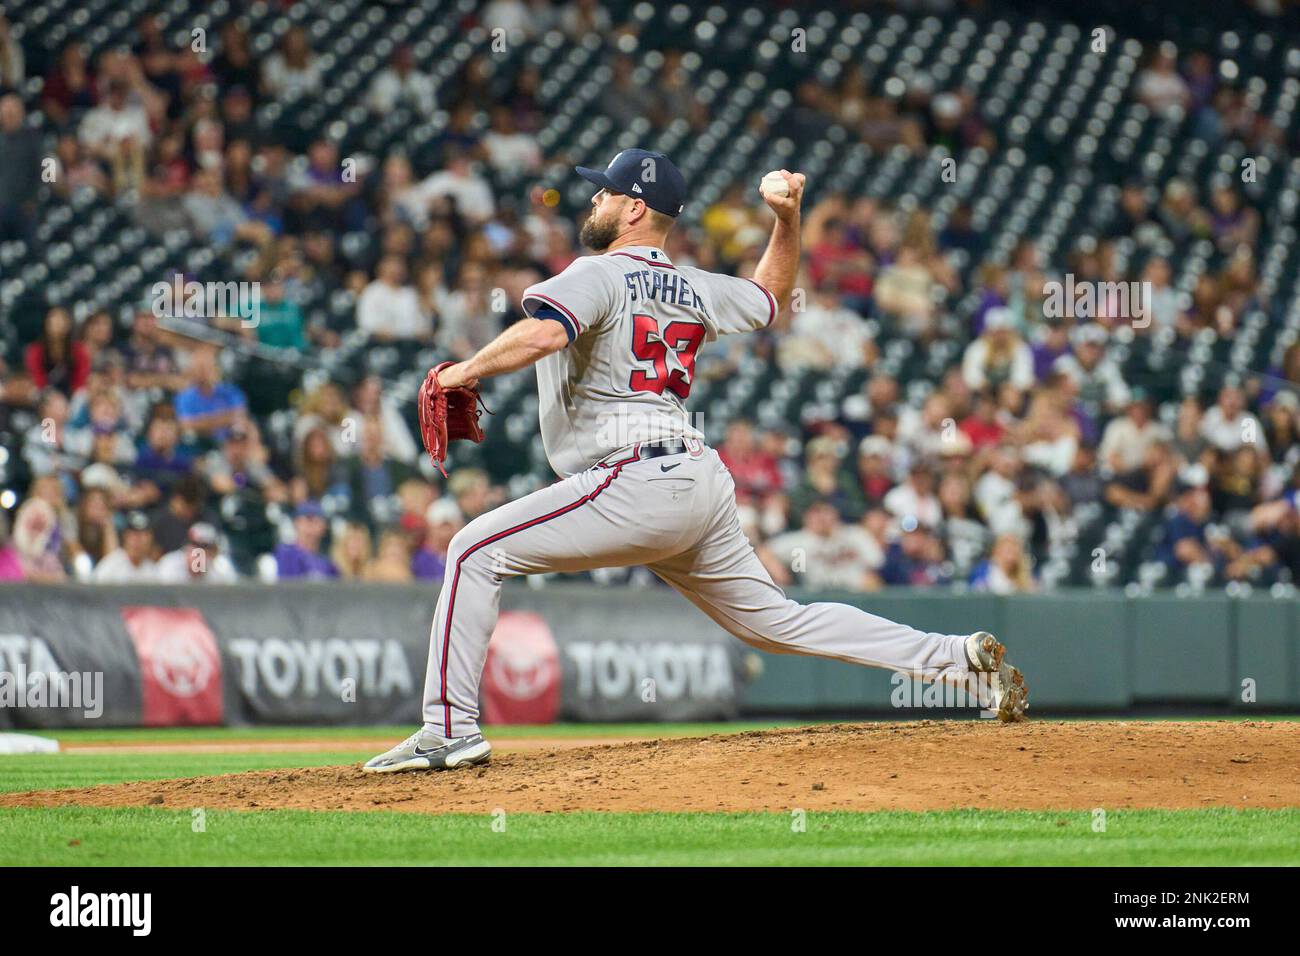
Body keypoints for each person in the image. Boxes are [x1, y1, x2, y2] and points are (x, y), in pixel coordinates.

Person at [364, 152, 1027, 775]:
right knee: (777, 620)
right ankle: (956, 660)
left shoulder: (594, 272)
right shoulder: (694, 286)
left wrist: (459, 372)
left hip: (632, 477)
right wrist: (786, 220)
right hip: (696, 482)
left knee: (475, 549)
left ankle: (449, 728)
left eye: (605, 190)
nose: (592, 198)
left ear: (632, 209)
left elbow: (544, 333)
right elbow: (770, 297)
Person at [93, 511, 159, 583]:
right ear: (125, 536)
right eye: (134, 535)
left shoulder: (151, 570)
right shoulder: (112, 564)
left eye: (142, 535)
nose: (137, 540)